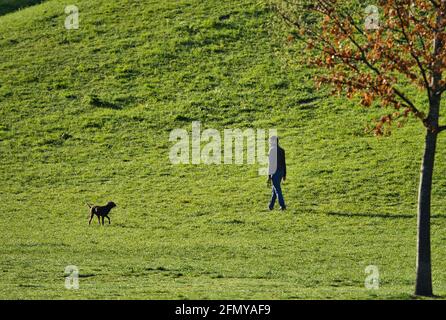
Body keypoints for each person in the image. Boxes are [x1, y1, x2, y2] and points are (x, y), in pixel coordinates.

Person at [267, 136, 286, 211]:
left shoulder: (271, 150)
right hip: (281, 171)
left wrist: (269, 176)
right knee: (275, 189)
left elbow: (270, 164)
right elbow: (284, 163)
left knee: (277, 189)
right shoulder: (282, 150)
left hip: (274, 172)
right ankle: (270, 206)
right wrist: (284, 174)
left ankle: (282, 205)